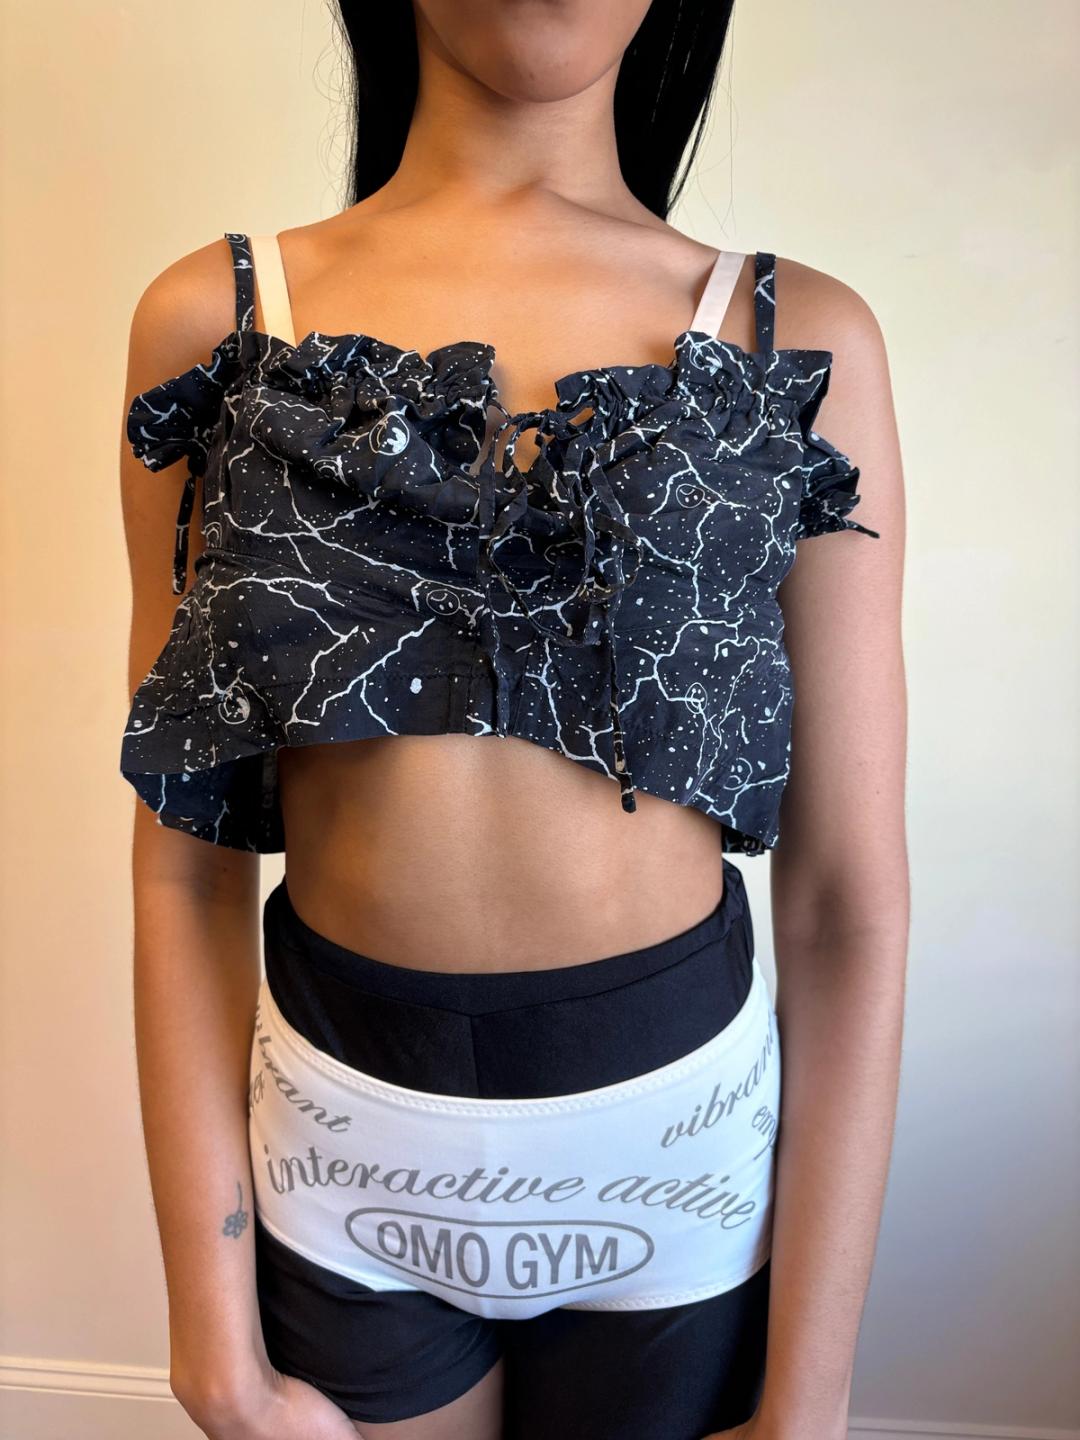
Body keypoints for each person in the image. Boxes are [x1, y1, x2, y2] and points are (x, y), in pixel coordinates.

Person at [119, 3, 908, 1437]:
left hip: (681, 1168)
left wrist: (813, 1399)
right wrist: (209, 1348)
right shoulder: (221, 324)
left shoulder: (795, 338)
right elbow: (183, 861)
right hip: (340, 1154)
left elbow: (847, 900)